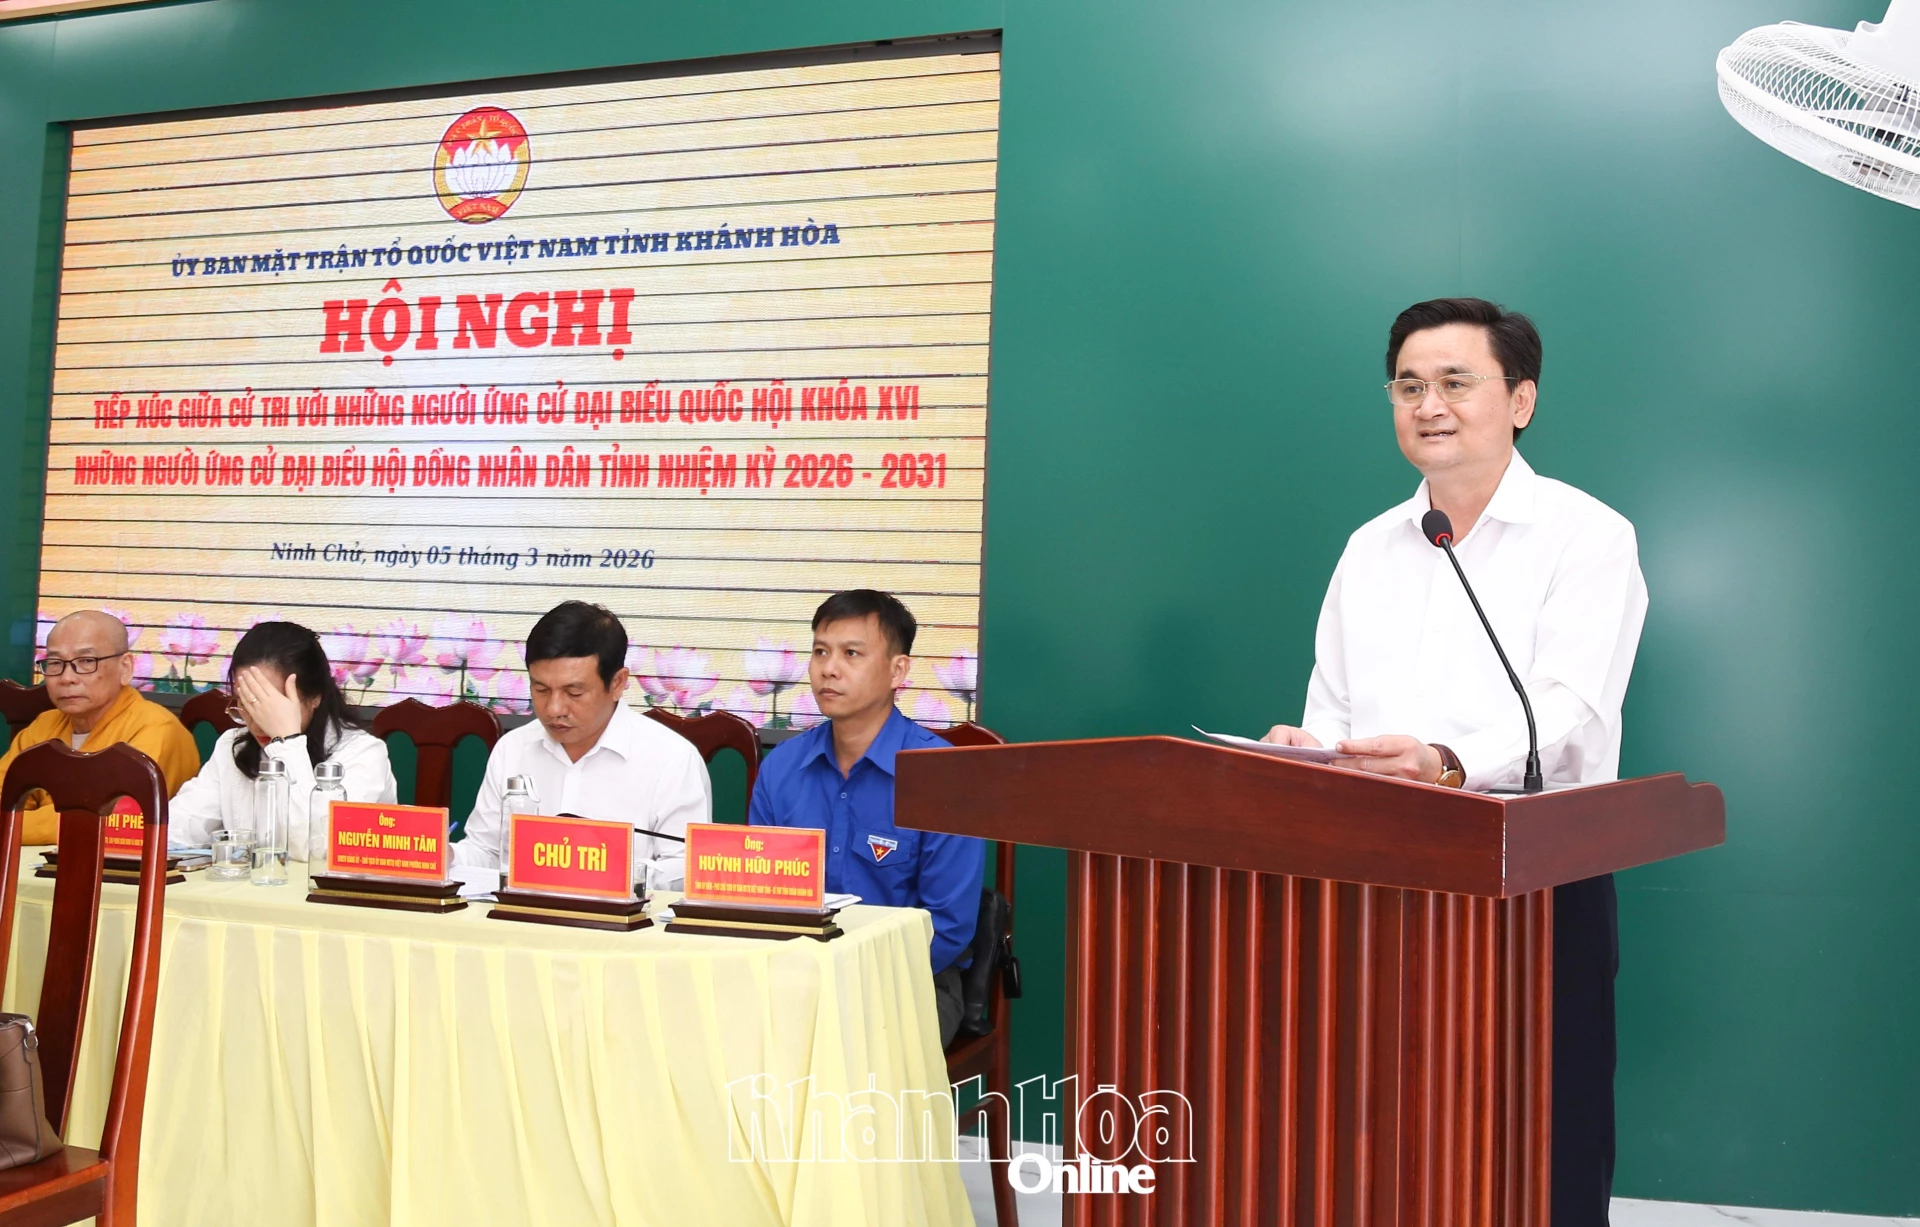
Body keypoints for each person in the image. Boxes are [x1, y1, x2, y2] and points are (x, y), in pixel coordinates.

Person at [1262, 298, 1645, 1227]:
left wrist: (1444, 762)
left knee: (1543, 1127)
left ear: (1521, 400)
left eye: (1454, 382)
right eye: (1408, 386)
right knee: (1381, 1118)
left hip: (1537, 875)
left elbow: (1568, 703)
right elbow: (1334, 707)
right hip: (1376, 872)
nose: (1428, 404)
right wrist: (1311, 751)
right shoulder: (1370, 548)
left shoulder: (1588, 534)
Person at [748, 590, 986, 1048]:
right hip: (793, 976)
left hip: (910, 982)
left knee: (844, 1047)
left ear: (898, 670)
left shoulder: (942, 776)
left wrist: (845, 982)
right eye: (820, 652)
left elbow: (949, 926)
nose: (829, 669)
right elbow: (760, 897)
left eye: (851, 654)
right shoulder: (782, 768)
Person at [456, 601, 709, 886]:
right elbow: (486, 853)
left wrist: (602, 875)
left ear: (618, 683)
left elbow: (683, 871)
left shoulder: (672, 759)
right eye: (541, 689)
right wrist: (448, 857)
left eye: (573, 692)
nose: (554, 709)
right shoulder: (512, 749)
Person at [171, 621, 397, 859]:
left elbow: (318, 852)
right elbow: (180, 827)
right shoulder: (232, 746)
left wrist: (287, 741)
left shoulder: (364, 754)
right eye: (247, 703)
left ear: (315, 696)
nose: (258, 722)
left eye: (273, 705)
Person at [1, 609, 200, 845]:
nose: (67, 678)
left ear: (125, 668)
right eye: (55, 663)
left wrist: (16, 825)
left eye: (86, 661)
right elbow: (6, 798)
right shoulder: (43, 727)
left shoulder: (156, 729)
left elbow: (106, 820)